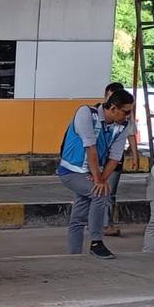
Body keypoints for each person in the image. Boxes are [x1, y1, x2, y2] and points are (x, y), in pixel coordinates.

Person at [57, 89, 135, 258]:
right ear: (113, 108)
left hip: (92, 173)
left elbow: (115, 157)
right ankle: (96, 242)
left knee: (79, 217)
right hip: (71, 171)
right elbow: (90, 148)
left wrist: (101, 178)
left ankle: (74, 256)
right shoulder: (86, 114)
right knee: (101, 193)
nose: (128, 116)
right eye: (126, 112)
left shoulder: (123, 126)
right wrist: (99, 181)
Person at [101, 82, 141, 237]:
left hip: (115, 159)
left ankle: (106, 224)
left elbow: (131, 135)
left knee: (109, 192)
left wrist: (135, 156)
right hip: (99, 159)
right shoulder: (96, 115)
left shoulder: (125, 116)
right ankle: (96, 222)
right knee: (95, 191)